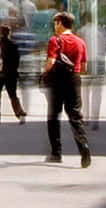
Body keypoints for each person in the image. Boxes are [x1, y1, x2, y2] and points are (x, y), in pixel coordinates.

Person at [43, 12, 91, 168]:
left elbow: (51, 61)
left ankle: (56, 153)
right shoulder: (80, 42)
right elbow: (83, 67)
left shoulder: (55, 40)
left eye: (55, 23)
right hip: (74, 80)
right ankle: (84, 148)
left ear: (60, 23)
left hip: (57, 81)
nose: (54, 26)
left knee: (53, 116)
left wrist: (45, 72)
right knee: (75, 115)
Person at [0, 25, 27, 124]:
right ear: (9, 33)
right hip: (11, 74)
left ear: (0, 33)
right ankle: (20, 114)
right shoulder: (14, 45)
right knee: (13, 95)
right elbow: (17, 61)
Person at [78, 11, 104, 130]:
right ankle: (95, 119)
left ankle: (86, 117)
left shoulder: (81, 31)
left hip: (86, 62)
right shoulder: (101, 31)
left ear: (84, 19)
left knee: (84, 92)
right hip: (98, 63)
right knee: (97, 93)